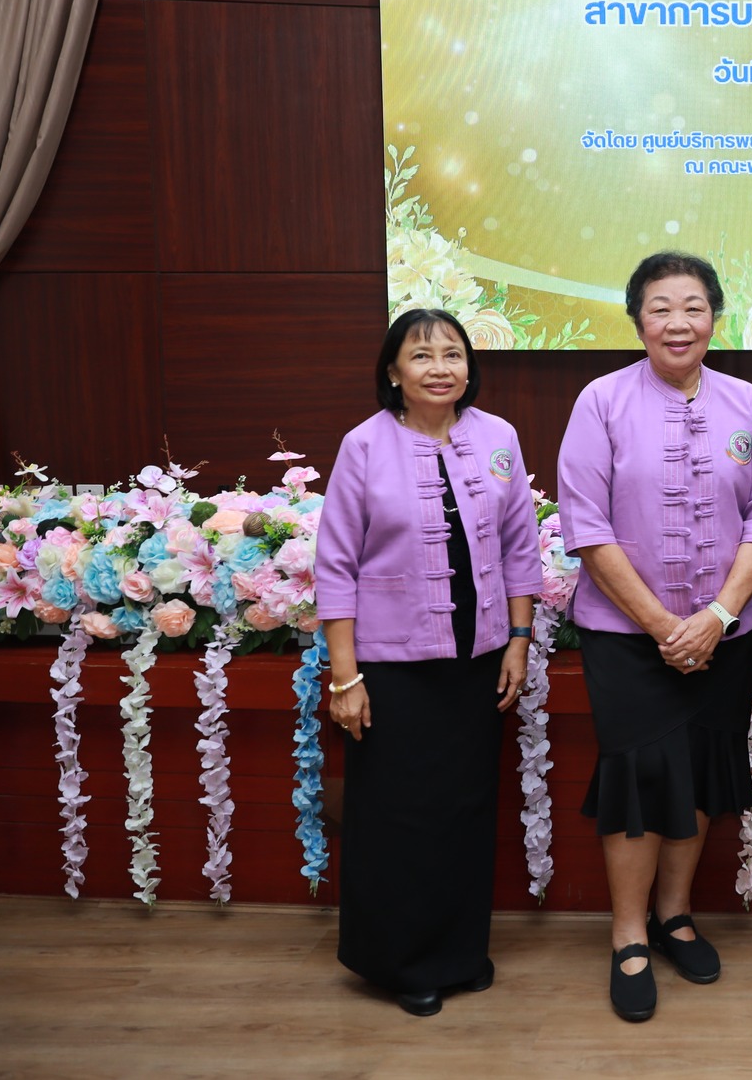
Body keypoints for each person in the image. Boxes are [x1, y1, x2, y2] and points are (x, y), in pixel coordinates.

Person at [556, 252, 752, 1023]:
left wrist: (717, 616)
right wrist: (664, 626)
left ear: (715, 317)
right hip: (628, 638)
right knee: (640, 773)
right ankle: (628, 932)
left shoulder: (746, 400)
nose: (678, 322)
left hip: (725, 633)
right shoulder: (601, 400)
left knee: (699, 769)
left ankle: (676, 914)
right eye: (661, 307)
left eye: (694, 306)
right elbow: (586, 524)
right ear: (637, 320)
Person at [316, 308, 540, 1017]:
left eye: (452, 353)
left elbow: (520, 546)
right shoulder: (364, 444)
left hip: (477, 660)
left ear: (470, 366)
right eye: (421, 355)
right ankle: (401, 962)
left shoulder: (499, 438)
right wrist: (346, 677)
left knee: (466, 809)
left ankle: (459, 954)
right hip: (391, 666)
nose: (440, 367)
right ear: (393, 371)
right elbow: (335, 565)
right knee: (399, 816)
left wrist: (519, 638)